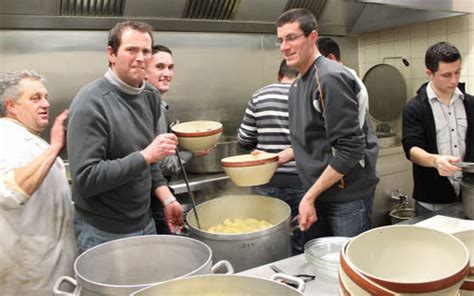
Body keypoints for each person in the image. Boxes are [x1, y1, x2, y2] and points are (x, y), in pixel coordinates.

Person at [67, 20, 183, 254]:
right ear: (111, 53)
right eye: (131, 50)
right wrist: (145, 155)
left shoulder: (150, 96)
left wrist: (167, 198)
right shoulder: (91, 102)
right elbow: (86, 179)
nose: (140, 57)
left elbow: (149, 162)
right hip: (103, 232)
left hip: (145, 222)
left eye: (146, 51)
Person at [276, 8, 379, 241]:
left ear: (312, 37)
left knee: (347, 267)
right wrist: (279, 157)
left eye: (292, 38)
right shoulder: (298, 84)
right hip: (321, 193)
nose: (284, 46)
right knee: (321, 266)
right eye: (280, 40)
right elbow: (319, 140)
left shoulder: (329, 78)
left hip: (346, 198)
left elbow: (350, 148)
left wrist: (309, 196)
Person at [0, 69, 76, 294]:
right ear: (11, 106)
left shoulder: (25, 137)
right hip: (32, 270)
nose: (45, 104)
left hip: (50, 263)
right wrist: (54, 148)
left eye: (45, 97)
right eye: (35, 98)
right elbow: (10, 190)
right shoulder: (5, 138)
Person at [237, 59, 304, 254]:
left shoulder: (259, 96)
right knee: (300, 233)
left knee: (264, 234)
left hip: (266, 179)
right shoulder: (305, 96)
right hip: (300, 180)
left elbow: (244, 138)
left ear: (278, 75)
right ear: (300, 74)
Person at [402, 41, 474, 215]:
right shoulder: (415, 108)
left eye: (457, 72)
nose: (454, 80)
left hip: (470, 199)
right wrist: (435, 161)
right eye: (446, 75)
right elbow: (412, 149)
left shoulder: (470, 103)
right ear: (430, 73)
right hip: (432, 202)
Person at [145, 44, 191, 234]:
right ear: (144, 70)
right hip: (155, 195)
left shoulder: (154, 104)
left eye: (170, 67)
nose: (167, 73)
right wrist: (192, 152)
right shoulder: (152, 106)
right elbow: (163, 164)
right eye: (160, 67)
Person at [317, 36, 369, 130]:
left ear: (330, 58)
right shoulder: (347, 79)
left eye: (317, 63)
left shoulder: (343, 83)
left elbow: (344, 131)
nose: (315, 69)